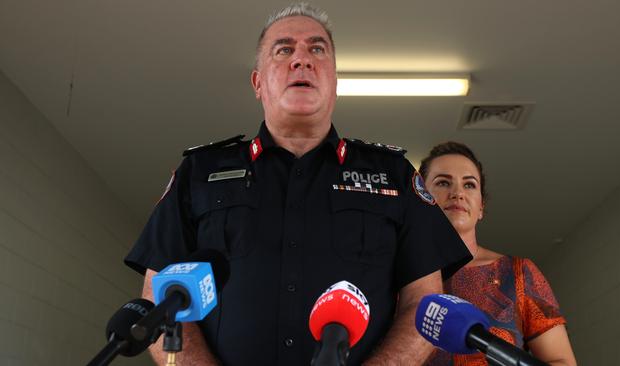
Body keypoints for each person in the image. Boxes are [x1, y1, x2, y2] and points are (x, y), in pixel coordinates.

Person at [124, 4, 471, 365]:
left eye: (317, 49)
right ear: (258, 82)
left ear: (335, 82)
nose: (301, 60)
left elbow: (425, 303)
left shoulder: (394, 175)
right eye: (284, 49)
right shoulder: (199, 172)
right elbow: (157, 296)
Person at [419, 141, 577, 366]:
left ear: (481, 206)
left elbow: (561, 361)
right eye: (443, 182)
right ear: (421, 198)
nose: (457, 193)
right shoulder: (393, 276)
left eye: (470, 185)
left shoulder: (517, 272)